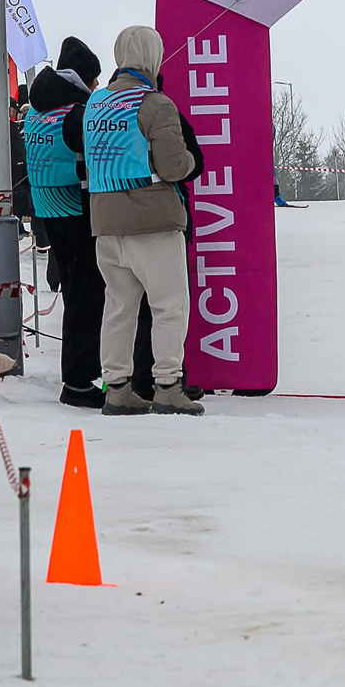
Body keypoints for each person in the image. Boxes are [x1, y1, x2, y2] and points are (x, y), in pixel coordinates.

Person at [86, 26, 202, 416]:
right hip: (153, 222)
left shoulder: (96, 103)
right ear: (153, 56)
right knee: (169, 306)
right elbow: (173, 166)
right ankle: (167, 386)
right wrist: (190, 161)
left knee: (119, 308)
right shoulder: (156, 105)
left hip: (106, 223)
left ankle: (116, 388)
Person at [24, 35, 104, 407]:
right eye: (94, 79)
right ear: (83, 78)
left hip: (47, 210)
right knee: (86, 297)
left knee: (74, 294)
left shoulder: (37, 109)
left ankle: (79, 375)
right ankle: (79, 381)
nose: (97, 86)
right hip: (76, 210)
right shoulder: (76, 113)